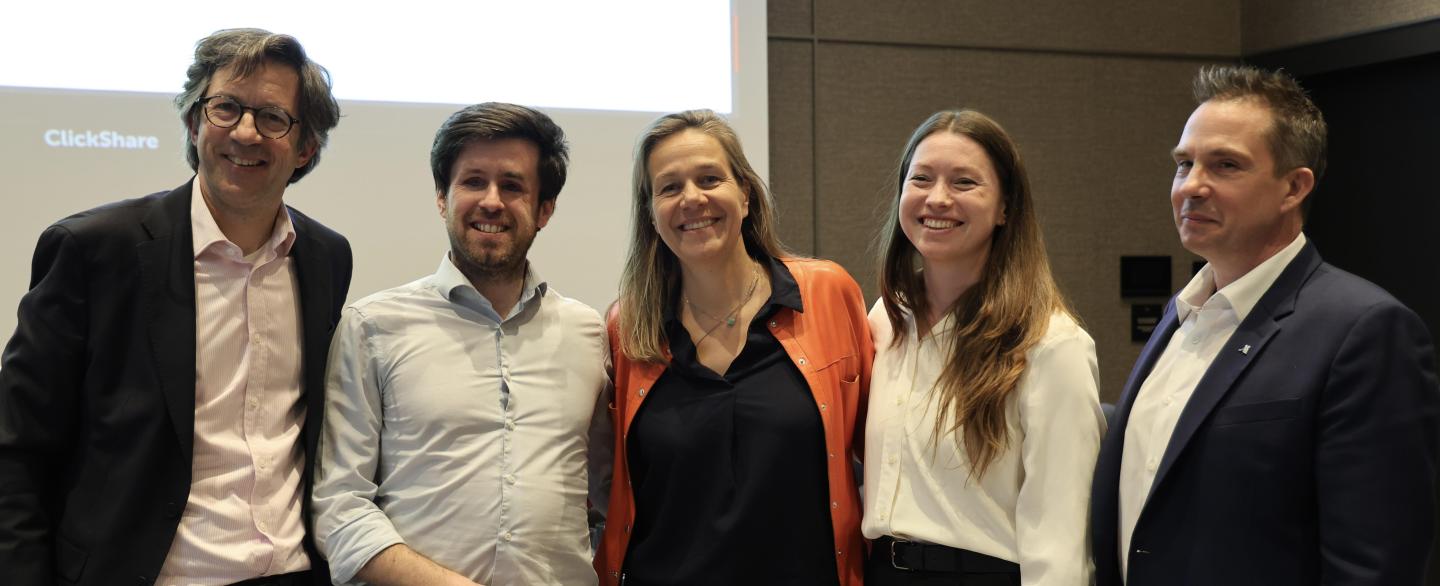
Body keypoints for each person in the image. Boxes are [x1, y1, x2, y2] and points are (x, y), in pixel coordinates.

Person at [0, 28, 349, 586]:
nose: (245, 132)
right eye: (226, 108)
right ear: (194, 123)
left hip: (291, 570)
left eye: (273, 118)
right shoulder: (93, 249)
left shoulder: (327, 257)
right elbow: (17, 449)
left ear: (306, 147)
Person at [1090, 65, 1440, 585]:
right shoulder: (1181, 311)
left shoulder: (1365, 330)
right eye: (1184, 164)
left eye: (1225, 165)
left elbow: (1375, 564)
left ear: (1293, 188)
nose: (1192, 187)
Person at [310, 102, 611, 586]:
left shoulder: (587, 333)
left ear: (544, 209)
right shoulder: (372, 326)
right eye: (473, 181)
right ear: (441, 197)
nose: (491, 201)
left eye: (512, 186)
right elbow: (339, 505)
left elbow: (610, 495)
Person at [594, 109, 872, 585]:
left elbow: (879, 450)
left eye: (709, 178)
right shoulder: (630, 327)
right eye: (669, 187)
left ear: (744, 193)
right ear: (650, 212)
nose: (692, 199)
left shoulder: (827, 293)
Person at [863, 109, 1104, 585]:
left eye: (965, 183)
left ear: (1005, 208)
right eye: (922, 179)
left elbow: (1062, 538)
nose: (937, 198)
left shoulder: (1051, 344)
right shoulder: (887, 319)